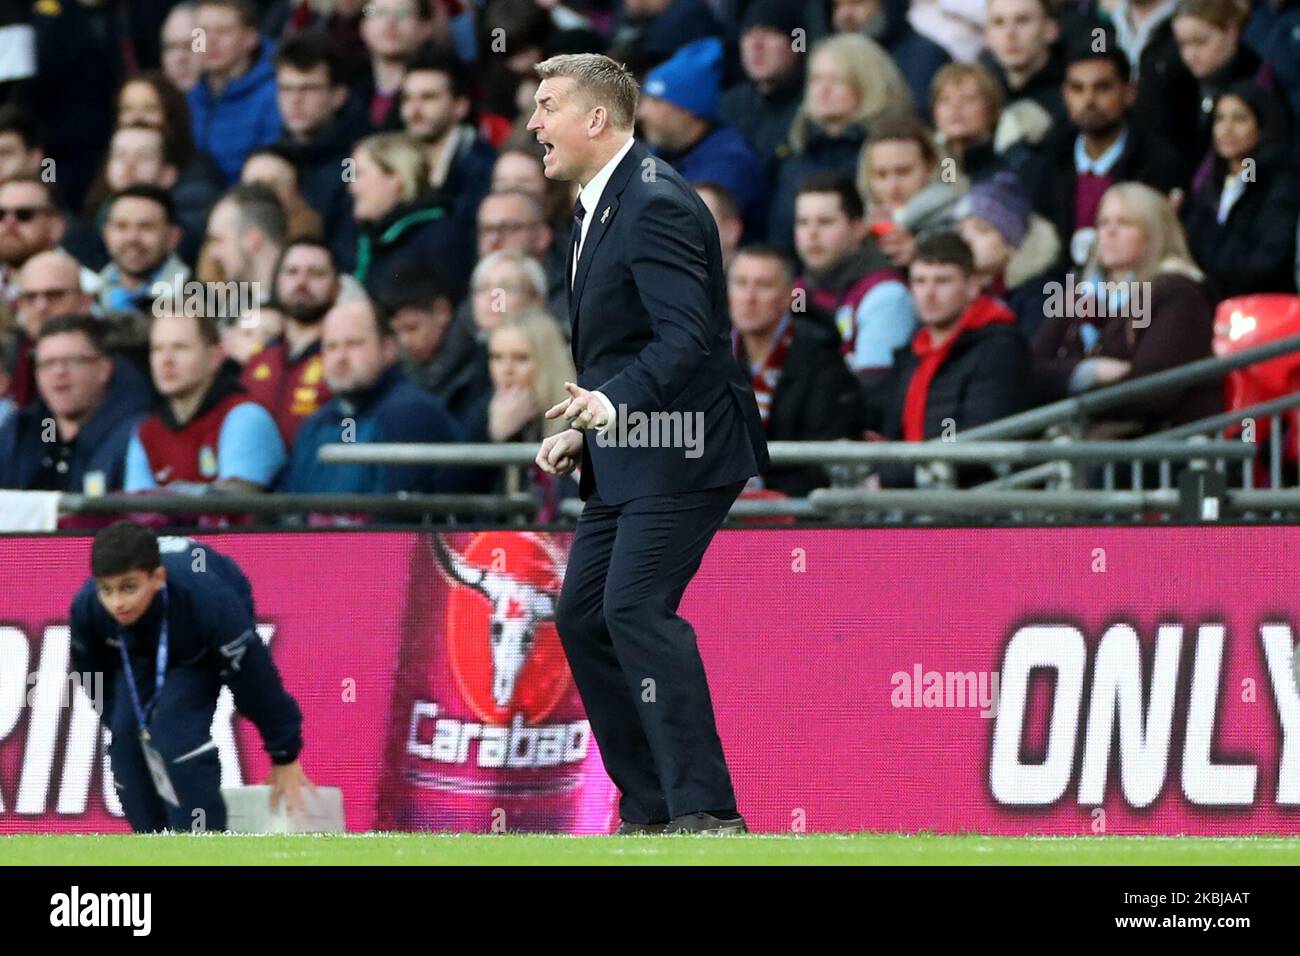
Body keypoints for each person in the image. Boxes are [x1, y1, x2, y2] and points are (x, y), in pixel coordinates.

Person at [527, 53, 768, 834]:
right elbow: (625, 341)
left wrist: (609, 402)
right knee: (584, 614)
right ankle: (652, 810)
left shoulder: (655, 201)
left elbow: (690, 337)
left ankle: (707, 812)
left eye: (548, 106)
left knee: (633, 607)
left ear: (596, 119)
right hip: (630, 448)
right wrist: (585, 427)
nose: (534, 124)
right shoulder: (601, 202)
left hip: (686, 445)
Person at [69, 520, 311, 832]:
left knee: (175, 739)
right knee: (126, 745)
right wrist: (122, 724)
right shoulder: (88, 608)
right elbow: (94, 676)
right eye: (107, 590)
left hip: (198, 649)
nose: (117, 602)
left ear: (158, 578)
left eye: (129, 587)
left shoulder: (209, 602)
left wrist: (284, 754)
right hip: (140, 656)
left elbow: (256, 678)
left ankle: (204, 849)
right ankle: (152, 847)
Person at [1031, 182, 1220, 431]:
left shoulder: (1179, 293)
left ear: (1155, 234)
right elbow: (1030, 371)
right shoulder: (1078, 291)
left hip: (1153, 448)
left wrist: (1066, 384)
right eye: (1103, 222)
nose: (1108, 232)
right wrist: (1090, 372)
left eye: (1124, 223)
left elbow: (1151, 390)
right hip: (1084, 438)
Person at [864, 230, 1031, 485]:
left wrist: (891, 478)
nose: (928, 294)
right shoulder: (914, 351)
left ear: (973, 285)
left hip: (967, 508)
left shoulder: (1000, 348)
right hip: (913, 499)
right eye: (919, 281)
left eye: (942, 281)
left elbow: (977, 445)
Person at [278, 299, 465, 494]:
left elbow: (399, 517)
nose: (340, 358)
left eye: (354, 344)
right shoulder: (316, 423)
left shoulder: (411, 414)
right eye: (331, 347)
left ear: (388, 349)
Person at [729, 245, 867, 497]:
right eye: (740, 283)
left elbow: (826, 457)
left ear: (788, 296)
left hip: (793, 516)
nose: (749, 298)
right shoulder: (708, 353)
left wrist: (776, 495)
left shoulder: (822, 358)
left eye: (763, 286)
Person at [767, 33, 913, 254]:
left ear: (869, 85)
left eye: (837, 80)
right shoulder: (793, 157)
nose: (823, 90)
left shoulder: (889, 153)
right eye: (816, 79)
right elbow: (779, 240)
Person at [126, 310, 287, 494]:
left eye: (180, 347)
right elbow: (137, 512)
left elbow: (235, 505)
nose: (166, 360)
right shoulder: (146, 431)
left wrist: (165, 497)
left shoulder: (244, 416)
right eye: (157, 349)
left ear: (215, 357)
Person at [0, 315, 149, 493]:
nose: (59, 372)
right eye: (47, 363)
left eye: (73, 361)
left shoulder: (136, 434)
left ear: (105, 368)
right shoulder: (24, 429)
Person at [1181, 82, 1299, 299]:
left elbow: (1265, 264)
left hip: (1261, 305)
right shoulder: (1210, 183)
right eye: (1220, 118)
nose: (1226, 129)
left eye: (1240, 119)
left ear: (1263, 126)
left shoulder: (1281, 184)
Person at [240, 238, 340, 444]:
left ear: (337, 287)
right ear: (278, 282)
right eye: (292, 272)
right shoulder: (258, 357)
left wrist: (347, 452)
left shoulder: (344, 355)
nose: (302, 283)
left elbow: (353, 427)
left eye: (316, 273)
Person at [956, 171, 1062, 338]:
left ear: (1011, 244)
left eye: (982, 230)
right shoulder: (954, 288)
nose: (966, 239)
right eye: (961, 230)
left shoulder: (1040, 297)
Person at [188, 0, 283, 184]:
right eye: (202, 32)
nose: (211, 41)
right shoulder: (190, 96)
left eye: (223, 31)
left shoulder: (273, 96)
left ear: (250, 38)